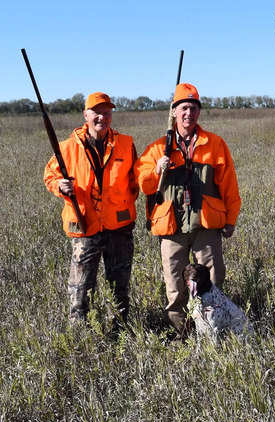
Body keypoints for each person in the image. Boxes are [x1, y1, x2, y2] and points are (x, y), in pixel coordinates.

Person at [135, 83, 241, 335]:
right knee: (174, 285)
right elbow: (143, 185)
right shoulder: (158, 147)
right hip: (171, 225)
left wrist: (231, 218)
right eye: (183, 108)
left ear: (198, 112)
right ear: (173, 112)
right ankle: (182, 333)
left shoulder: (215, 144)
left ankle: (214, 330)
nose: (188, 113)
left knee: (213, 281)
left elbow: (229, 185)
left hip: (206, 224)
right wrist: (158, 168)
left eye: (193, 108)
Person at [44, 92, 138, 324]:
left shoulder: (126, 144)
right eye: (96, 112)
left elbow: (137, 180)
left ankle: (119, 331)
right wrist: (60, 186)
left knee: (120, 287)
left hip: (119, 227)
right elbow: (49, 176)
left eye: (106, 112)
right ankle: (81, 339)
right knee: (81, 289)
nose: (101, 117)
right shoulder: (66, 148)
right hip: (85, 226)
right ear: (85, 115)